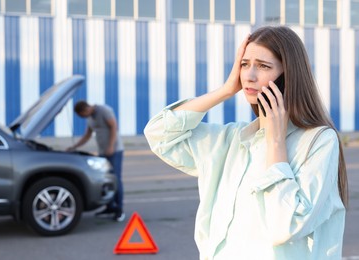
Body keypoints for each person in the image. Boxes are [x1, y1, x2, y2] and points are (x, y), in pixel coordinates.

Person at [144, 26, 348, 259]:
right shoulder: (230, 140)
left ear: (289, 75)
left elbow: (286, 225)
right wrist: (225, 90)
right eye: (244, 64)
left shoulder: (318, 142)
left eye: (263, 66)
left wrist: (276, 142)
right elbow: (159, 133)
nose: (249, 76)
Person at [67, 100, 125, 222]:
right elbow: (87, 135)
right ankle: (109, 207)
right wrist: (74, 146)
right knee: (106, 179)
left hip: (114, 151)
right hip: (103, 151)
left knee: (115, 178)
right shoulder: (90, 118)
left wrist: (110, 146)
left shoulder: (104, 110)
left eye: (82, 115)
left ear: (85, 109)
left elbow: (114, 127)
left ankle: (119, 209)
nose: (83, 118)